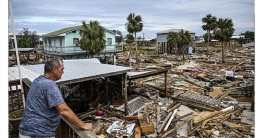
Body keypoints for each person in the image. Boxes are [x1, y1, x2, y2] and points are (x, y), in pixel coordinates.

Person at [19, 59, 93, 138]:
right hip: (39, 133)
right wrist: (83, 125)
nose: (63, 72)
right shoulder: (49, 85)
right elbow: (64, 111)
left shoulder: (37, 81)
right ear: (54, 70)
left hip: (26, 131)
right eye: (62, 69)